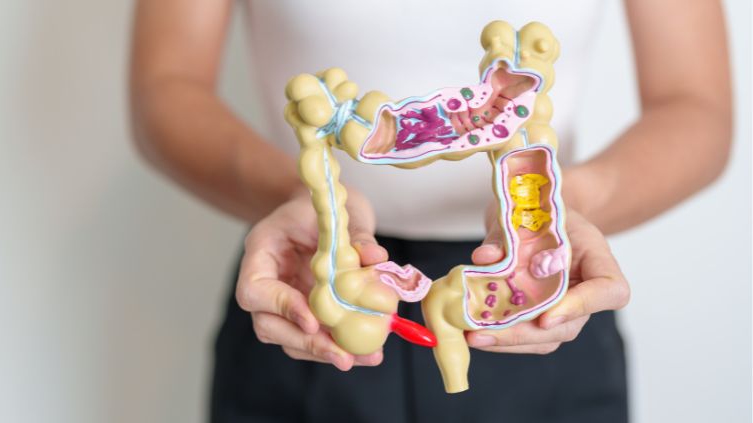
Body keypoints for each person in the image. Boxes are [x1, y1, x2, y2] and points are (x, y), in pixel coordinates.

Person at [128, 1, 732, 422]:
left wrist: (568, 204)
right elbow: (167, 85)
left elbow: (696, 108)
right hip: (309, 271)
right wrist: (306, 197)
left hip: (546, 297)